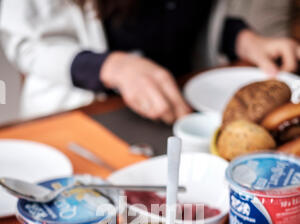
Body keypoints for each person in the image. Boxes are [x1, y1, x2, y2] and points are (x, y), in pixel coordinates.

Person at [1, 0, 299, 123]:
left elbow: (193, 17)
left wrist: (239, 37)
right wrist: (109, 67)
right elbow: (24, 41)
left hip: (183, 107)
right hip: (83, 116)